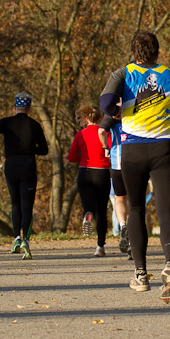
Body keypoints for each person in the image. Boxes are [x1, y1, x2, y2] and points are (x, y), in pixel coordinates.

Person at [100, 30, 170, 303]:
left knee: (135, 208)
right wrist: (168, 110)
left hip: (132, 149)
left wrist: (119, 111)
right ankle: (169, 267)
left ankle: (141, 274)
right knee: (166, 210)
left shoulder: (122, 74)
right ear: (157, 50)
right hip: (165, 148)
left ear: (134, 51)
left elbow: (107, 103)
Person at [0, 92, 49, 260]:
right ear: (29, 109)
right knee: (27, 204)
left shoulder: (5, 122)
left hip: (11, 165)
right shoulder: (34, 125)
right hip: (28, 165)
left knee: (15, 202)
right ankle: (26, 241)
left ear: (14, 108)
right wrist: (30, 149)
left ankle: (16, 238)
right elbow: (44, 150)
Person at [68, 105, 111, 257]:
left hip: (85, 171)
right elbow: (110, 152)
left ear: (86, 119)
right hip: (102, 173)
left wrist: (84, 157)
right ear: (100, 119)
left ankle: (87, 214)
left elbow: (71, 157)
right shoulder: (106, 133)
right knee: (102, 211)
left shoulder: (80, 134)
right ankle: (100, 247)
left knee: (89, 206)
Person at [98, 109, 131, 258]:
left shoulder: (113, 112)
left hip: (117, 162)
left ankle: (123, 225)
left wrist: (105, 147)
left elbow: (101, 132)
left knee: (120, 198)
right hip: (137, 161)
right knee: (136, 201)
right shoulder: (138, 108)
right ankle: (133, 234)